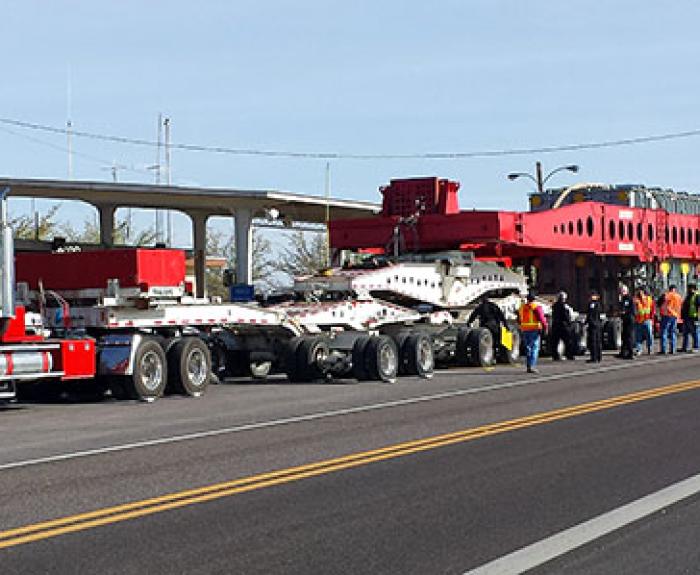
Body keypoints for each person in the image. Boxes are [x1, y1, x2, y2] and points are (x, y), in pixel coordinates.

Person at [518, 291, 548, 373]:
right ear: (534, 299)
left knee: (528, 348)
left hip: (525, 329)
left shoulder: (522, 307)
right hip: (534, 330)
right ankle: (532, 366)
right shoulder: (536, 307)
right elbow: (542, 319)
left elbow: (519, 319)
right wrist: (545, 328)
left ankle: (528, 365)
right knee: (534, 348)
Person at [550, 291, 575, 361]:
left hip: (555, 326)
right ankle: (569, 355)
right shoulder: (565, 306)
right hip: (563, 326)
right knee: (568, 341)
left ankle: (555, 356)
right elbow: (566, 316)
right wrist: (570, 323)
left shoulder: (554, 306)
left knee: (555, 342)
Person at [658, 284, 682, 354]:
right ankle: (673, 349)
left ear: (670, 289)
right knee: (673, 332)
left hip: (666, 315)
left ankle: (664, 349)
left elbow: (659, 303)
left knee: (664, 332)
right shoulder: (679, 296)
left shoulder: (666, 295)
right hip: (674, 316)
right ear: (675, 289)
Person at [633, 287, 654, 355]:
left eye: (641, 291)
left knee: (649, 335)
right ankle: (639, 349)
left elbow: (652, 309)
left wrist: (652, 318)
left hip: (647, 320)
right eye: (638, 291)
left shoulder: (649, 299)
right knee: (638, 337)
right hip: (638, 320)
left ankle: (650, 349)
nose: (640, 293)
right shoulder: (635, 300)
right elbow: (634, 310)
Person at [680, 283, 700, 352]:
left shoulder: (697, 296)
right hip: (687, 317)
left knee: (695, 333)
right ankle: (685, 347)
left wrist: (698, 317)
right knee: (685, 333)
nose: (688, 289)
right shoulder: (688, 296)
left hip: (694, 317)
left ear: (693, 289)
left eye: (689, 288)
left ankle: (696, 347)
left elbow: (699, 307)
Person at [617, 284, 635, 359]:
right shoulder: (623, 299)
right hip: (625, 319)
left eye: (622, 291)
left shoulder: (628, 299)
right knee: (624, 336)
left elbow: (628, 309)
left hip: (629, 319)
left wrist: (624, 312)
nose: (621, 292)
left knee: (628, 336)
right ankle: (623, 352)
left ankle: (630, 353)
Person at [586, 290, 603, 363]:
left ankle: (594, 357)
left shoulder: (592, 304)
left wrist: (588, 322)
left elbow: (590, 314)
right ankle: (598, 357)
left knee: (593, 341)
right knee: (598, 341)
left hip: (593, 324)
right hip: (598, 324)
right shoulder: (599, 304)